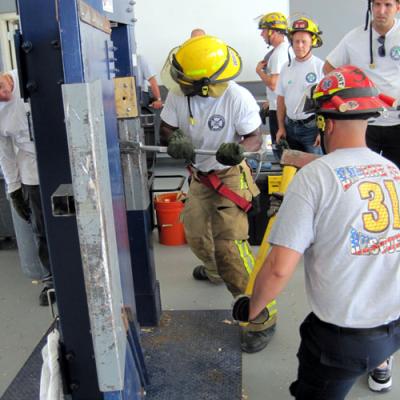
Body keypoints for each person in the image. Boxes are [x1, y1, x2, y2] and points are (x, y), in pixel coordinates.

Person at [233, 65, 400, 398]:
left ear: (327, 123)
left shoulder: (313, 179)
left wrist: (252, 309)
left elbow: (280, 266)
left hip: (338, 338)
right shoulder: (392, 171)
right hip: (390, 329)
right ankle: (381, 367)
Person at [160, 35, 277, 352]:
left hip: (228, 175)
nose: (179, 84)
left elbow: (255, 137)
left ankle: (261, 317)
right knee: (196, 235)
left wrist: (238, 150)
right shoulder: (177, 94)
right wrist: (174, 139)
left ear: (205, 84)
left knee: (230, 246)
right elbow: (167, 126)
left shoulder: (236, 97)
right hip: (199, 176)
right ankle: (214, 271)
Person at [324, 0, 400, 168]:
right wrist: (349, 97)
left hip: (397, 122)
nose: (381, 11)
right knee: (362, 173)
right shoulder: (354, 37)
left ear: (398, 7)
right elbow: (329, 68)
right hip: (364, 123)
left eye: (387, 5)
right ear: (371, 6)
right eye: (377, 4)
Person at [0, 70, 54, 306]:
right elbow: (5, 154)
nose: (3, 94)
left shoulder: (30, 73)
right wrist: (13, 190)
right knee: (42, 231)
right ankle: (51, 281)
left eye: (2, 87)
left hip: (63, 165)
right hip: (32, 175)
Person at [276, 16, 324, 154]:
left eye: (304, 41)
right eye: (296, 41)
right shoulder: (286, 67)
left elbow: (326, 102)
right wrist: (281, 127)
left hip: (311, 129)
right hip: (289, 126)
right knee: (293, 168)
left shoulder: (320, 67)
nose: (299, 46)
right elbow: (280, 99)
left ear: (312, 42)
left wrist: (322, 132)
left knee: (314, 168)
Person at [256, 12, 292, 160]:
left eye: (264, 30)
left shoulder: (279, 54)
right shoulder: (286, 49)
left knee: (281, 152)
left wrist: (259, 71)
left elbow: (273, 84)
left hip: (278, 110)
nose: (262, 35)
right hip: (278, 106)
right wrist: (268, 102)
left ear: (273, 31)